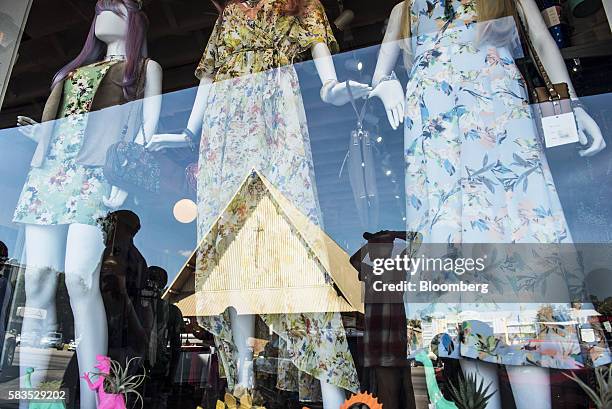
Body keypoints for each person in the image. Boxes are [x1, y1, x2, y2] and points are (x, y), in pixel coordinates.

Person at [350, 230, 418, 409]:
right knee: (394, 393)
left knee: (392, 394)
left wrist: (389, 234)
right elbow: (354, 260)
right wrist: (387, 236)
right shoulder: (382, 270)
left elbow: (418, 239)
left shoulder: (392, 269)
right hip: (387, 344)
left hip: (386, 344)